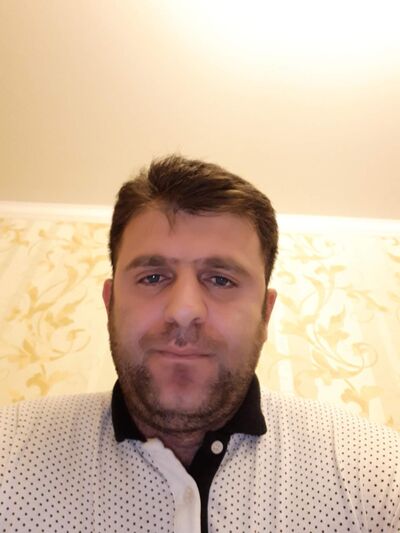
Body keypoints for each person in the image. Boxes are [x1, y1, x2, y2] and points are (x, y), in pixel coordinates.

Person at [0, 155, 399, 533]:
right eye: (152, 277)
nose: (184, 311)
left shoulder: (378, 474)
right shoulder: (8, 456)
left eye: (221, 280)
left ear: (265, 313)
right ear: (110, 303)